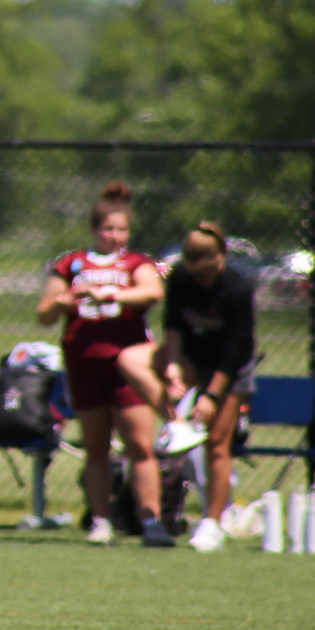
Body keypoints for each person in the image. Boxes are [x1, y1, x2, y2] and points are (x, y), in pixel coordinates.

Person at [35, 181, 190, 548]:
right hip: (84, 365)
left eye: (122, 229)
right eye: (108, 229)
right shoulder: (72, 262)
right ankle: (100, 521)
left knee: (139, 445)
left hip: (126, 368)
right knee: (96, 448)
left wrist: (109, 293)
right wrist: (64, 301)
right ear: (94, 229)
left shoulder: (136, 262)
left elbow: (152, 291)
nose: (115, 236)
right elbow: (44, 314)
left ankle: (151, 520)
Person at [160, 223, 256, 553]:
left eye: (204, 273)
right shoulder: (180, 279)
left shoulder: (237, 289)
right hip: (192, 357)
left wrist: (212, 396)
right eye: (193, 272)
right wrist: (172, 366)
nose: (199, 280)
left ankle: (213, 523)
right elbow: (172, 324)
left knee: (217, 442)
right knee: (143, 366)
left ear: (221, 258)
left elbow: (237, 348)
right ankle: (174, 429)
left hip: (230, 368)